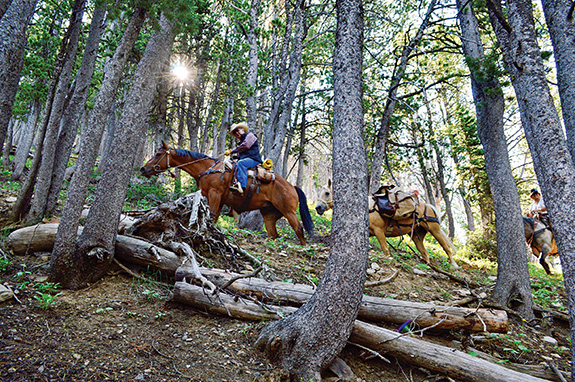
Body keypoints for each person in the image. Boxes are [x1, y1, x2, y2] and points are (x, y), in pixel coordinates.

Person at [224, 122, 263, 194]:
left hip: (254, 159)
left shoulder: (250, 136)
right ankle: (234, 183)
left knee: (241, 163)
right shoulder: (241, 143)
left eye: (237, 130)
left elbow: (246, 145)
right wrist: (235, 158)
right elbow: (240, 154)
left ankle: (242, 186)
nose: (237, 133)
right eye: (235, 133)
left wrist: (232, 151)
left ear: (242, 129)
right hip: (248, 159)